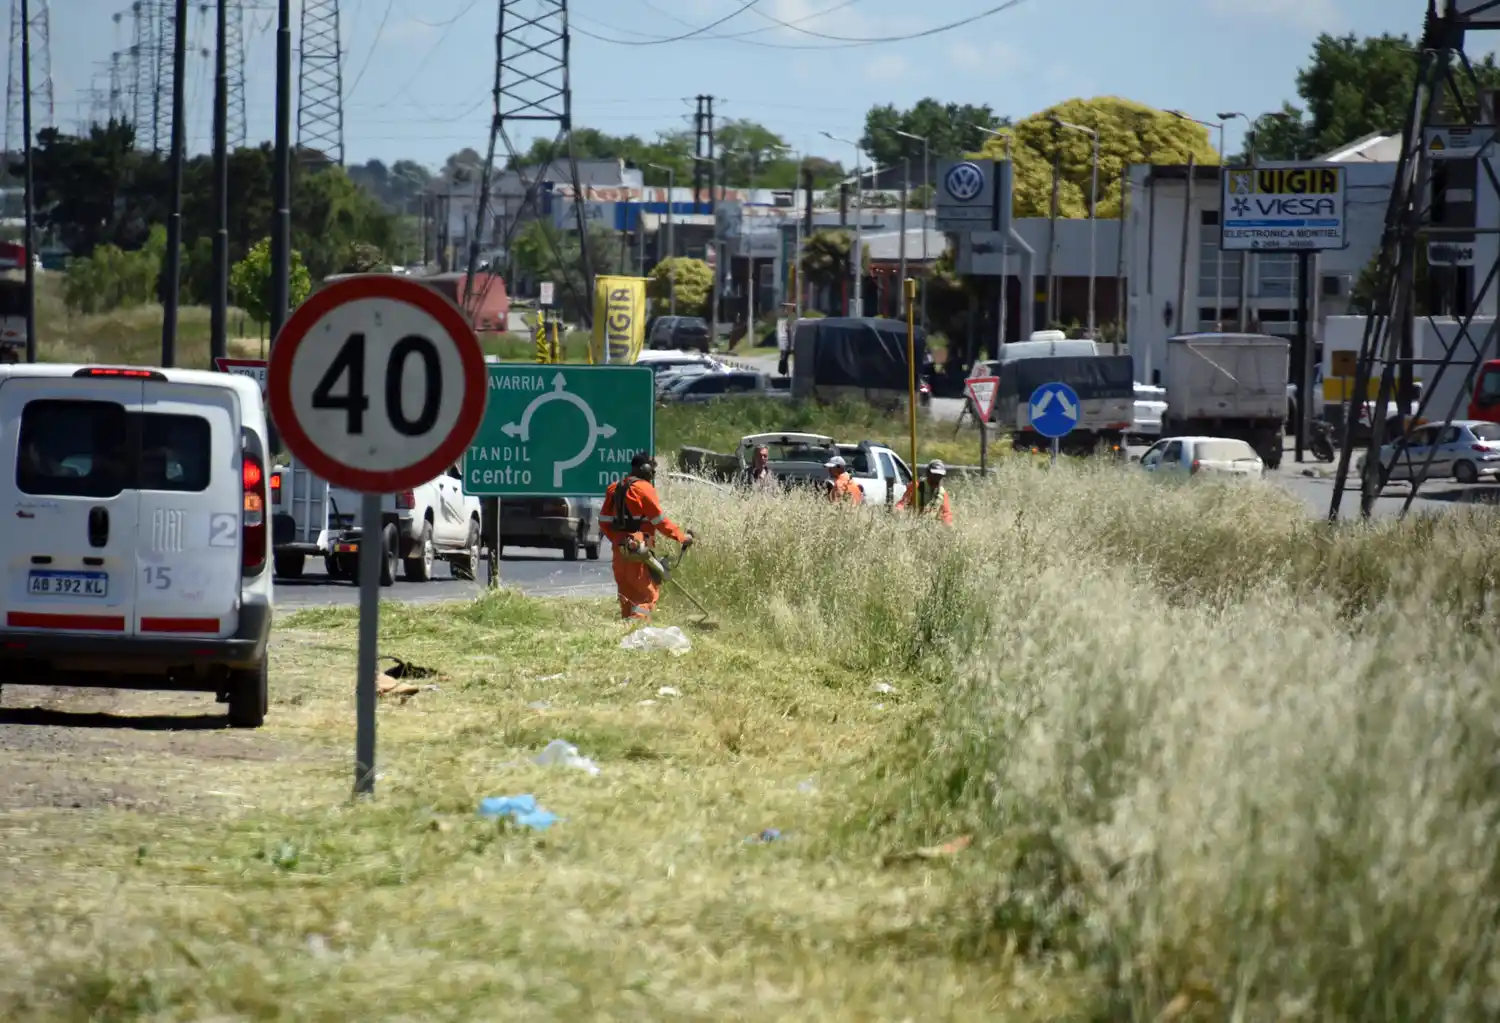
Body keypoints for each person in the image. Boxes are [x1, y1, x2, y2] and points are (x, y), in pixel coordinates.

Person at [599, 452, 693, 620]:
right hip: (639, 549)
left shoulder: (614, 488)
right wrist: (682, 537)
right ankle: (637, 631)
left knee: (627, 594)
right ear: (646, 469)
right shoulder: (644, 488)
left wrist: (617, 539)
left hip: (619, 550)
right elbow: (660, 521)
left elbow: (604, 521)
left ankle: (625, 628)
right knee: (647, 595)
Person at [896, 459, 954, 525]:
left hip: (930, 529)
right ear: (928, 473)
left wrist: (948, 525)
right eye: (934, 474)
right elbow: (902, 503)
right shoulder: (916, 486)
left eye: (939, 475)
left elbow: (946, 514)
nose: (937, 477)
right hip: (912, 525)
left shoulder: (942, 493)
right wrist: (899, 511)